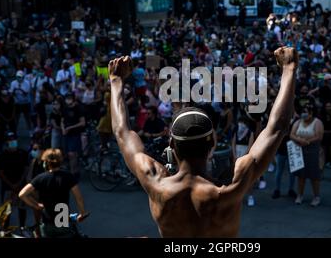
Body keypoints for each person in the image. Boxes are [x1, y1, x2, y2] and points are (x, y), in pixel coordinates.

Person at [109, 47, 298, 237]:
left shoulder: (156, 182)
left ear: (172, 145)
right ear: (211, 147)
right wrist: (289, 69)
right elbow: (277, 127)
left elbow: (122, 132)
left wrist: (116, 81)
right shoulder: (228, 189)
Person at [19, 148, 88, 238]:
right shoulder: (68, 176)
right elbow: (79, 198)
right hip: (63, 222)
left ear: (46, 163)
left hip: (48, 222)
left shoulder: (41, 178)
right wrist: (82, 213)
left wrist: (36, 205)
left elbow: (22, 194)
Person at [290, 104, 324, 207]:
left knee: (314, 176)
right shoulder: (298, 122)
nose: (304, 114)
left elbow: (319, 136)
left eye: (306, 112)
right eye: (302, 112)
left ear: (311, 113)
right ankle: (300, 195)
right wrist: (299, 140)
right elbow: (292, 134)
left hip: (313, 151)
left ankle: (316, 196)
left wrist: (307, 141)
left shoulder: (317, 122)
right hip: (299, 150)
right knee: (301, 176)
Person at [0, 132, 29, 228]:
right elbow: (0, 172)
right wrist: (11, 185)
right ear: (6, 142)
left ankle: (22, 227)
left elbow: (26, 168)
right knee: (7, 209)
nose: (12, 141)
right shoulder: (1, 156)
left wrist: (19, 182)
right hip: (7, 188)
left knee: (22, 208)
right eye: (10, 140)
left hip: (21, 187)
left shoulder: (23, 153)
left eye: (14, 139)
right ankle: (6, 230)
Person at [61, 93, 85, 179]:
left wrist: (70, 127)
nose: (68, 100)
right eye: (67, 98)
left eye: (70, 98)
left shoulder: (78, 109)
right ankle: (74, 170)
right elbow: (62, 120)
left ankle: (72, 173)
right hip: (66, 134)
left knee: (72, 154)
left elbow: (82, 123)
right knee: (68, 154)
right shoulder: (65, 109)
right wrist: (63, 128)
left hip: (75, 134)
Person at [272, 134, 297, 200]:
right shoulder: (282, 124)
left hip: (292, 149)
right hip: (281, 150)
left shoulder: (295, 123)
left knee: (292, 172)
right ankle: (277, 189)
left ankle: (291, 189)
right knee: (279, 171)